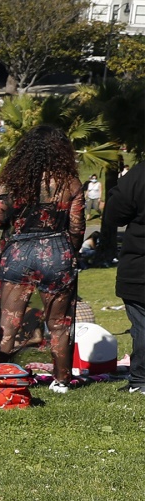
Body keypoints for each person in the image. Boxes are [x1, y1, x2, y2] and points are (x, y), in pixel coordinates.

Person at [0, 125, 87, 393]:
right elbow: (77, 228)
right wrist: (69, 253)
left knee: (8, 322)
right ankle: (61, 381)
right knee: (58, 324)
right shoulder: (71, 182)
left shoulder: (13, 180)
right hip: (57, 251)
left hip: (18, 252)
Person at [99, 152, 145, 394]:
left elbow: (114, 215)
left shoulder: (139, 175)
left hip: (139, 266)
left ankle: (141, 381)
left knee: (143, 325)